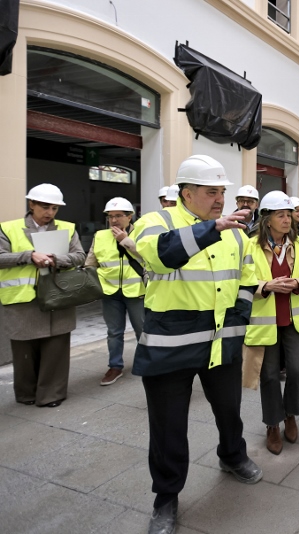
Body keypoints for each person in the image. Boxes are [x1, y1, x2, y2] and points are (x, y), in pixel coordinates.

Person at [130, 155, 263, 534]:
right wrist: (211, 229)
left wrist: (238, 319)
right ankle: (166, 498)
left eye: (222, 192)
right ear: (186, 193)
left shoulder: (236, 233)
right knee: (169, 427)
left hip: (221, 343)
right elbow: (160, 254)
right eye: (211, 192)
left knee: (229, 410)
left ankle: (232, 456)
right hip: (170, 345)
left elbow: (248, 277)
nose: (220, 199)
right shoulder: (157, 222)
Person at [0, 184, 86, 408]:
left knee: (56, 347)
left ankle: (51, 395)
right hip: (23, 299)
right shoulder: (9, 228)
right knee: (24, 350)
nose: (50, 212)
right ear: (31, 204)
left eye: (55, 208)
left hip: (59, 295)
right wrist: (30, 256)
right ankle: (26, 393)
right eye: (45, 207)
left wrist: (57, 259)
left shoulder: (67, 228)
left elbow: (79, 257)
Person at [242, 191, 299, 455]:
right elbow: (245, 281)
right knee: (269, 375)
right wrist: (266, 285)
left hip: (295, 319)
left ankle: (291, 414)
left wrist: (297, 283)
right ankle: (272, 424)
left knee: (296, 369)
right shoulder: (250, 246)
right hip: (265, 321)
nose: (287, 220)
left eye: (289, 215)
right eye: (281, 215)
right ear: (267, 219)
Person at [85, 197, 145, 386]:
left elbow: (149, 257)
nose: (113, 220)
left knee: (142, 330)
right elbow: (90, 263)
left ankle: (146, 363)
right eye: (110, 216)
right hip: (110, 292)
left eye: (118, 216)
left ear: (129, 217)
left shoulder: (142, 233)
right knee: (114, 332)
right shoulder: (100, 236)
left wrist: (125, 241)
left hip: (137, 291)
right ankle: (115, 367)